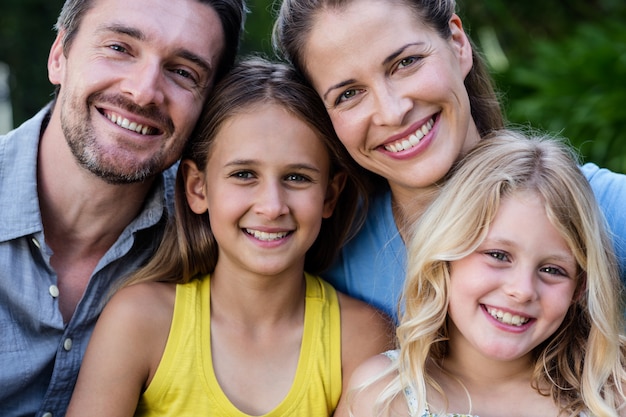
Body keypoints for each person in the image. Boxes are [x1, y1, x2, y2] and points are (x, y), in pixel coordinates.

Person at [65, 57, 394, 417]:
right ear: (198, 187)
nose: (272, 206)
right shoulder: (139, 321)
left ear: (329, 196)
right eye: (244, 174)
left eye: (297, 178)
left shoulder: (360, 336)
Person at [271, 0, 626, 321]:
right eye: (349, 94)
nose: (392, 112)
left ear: (457, 44)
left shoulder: (599, 212)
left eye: (405, 63)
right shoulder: (331, 251)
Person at [0, 0, 246, 415]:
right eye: (119, 48)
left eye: (183, 72)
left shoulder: (226, 235)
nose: (144, 91)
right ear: (59, 56)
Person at [335, 131, 626, 417]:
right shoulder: (382, 395)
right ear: (445, 257)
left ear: (580, 287)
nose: (522, 290)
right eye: (498, 255)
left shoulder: (612, 398)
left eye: (552, 270)